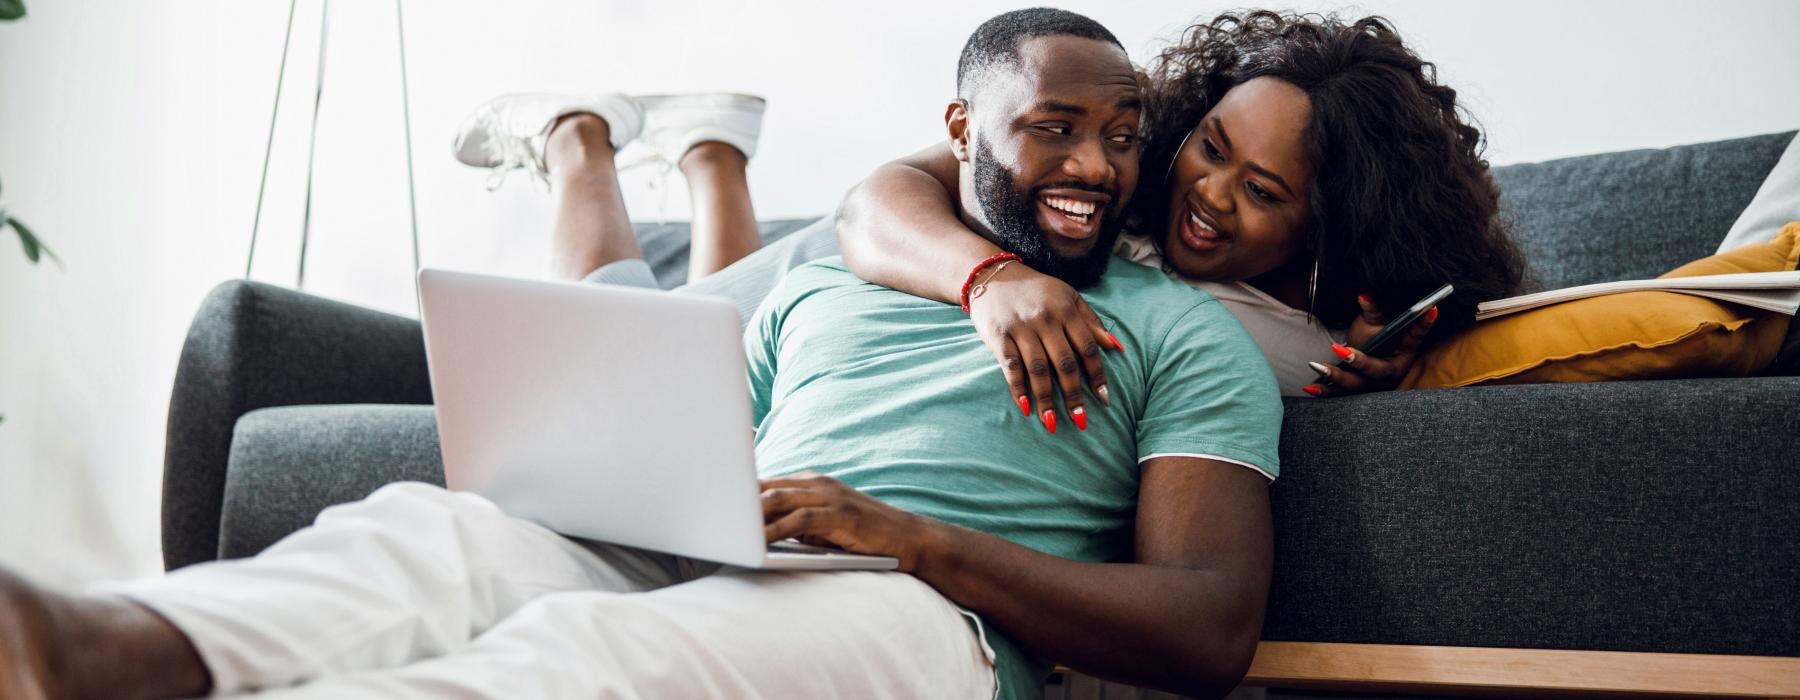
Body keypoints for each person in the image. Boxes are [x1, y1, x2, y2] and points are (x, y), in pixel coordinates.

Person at [0, 9, 1281, 700]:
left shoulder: (1184, 334)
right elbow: (695, 426)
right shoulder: (844, 264)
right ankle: (100, 648)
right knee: (432, 538)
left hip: (921, 612)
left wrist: (907, 534)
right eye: (1054, 129)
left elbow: (1210, 627)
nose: (1097, 166)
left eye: (1123, 137)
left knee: (598, 667)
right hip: (717, 543)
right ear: (960, 131)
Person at [837, 10, 1529, 414]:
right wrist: (991, 277)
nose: (1208, 192)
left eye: (1261, 192)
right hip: (857, 267)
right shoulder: (1110, 163)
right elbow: (871, 203)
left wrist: (1385, 380)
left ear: (1332, 230)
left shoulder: (1303, 346)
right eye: (1212, 146)